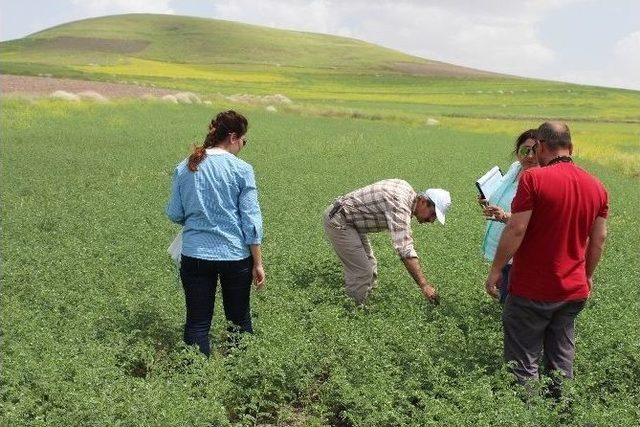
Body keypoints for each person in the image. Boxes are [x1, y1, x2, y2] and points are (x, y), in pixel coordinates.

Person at [484, 121, 608, 393]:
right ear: (571, 147)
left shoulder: (533, 179)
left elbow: (516, 229)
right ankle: (560, 414)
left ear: (540, 146)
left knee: (523, 364)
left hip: (532, 288)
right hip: (573, 291)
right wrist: (587, 276)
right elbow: (598, 239)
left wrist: (496, 269)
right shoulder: (597, 187)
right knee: (561, 361)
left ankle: (527, 415)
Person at [166, 110, 265, 356]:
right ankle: (239, 375)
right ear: (233, 137)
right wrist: (258, 263)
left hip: (195, 255)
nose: (243, 145)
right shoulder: (242, 169)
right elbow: (251, 222)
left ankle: (196, 382)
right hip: (234, 256)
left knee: (197, 323)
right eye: (244, 140)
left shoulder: (186, 166)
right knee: (239, 322)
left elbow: (175, 213)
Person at [323, 179, 451, 305]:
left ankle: (366, 303)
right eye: (433, 214)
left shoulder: (406, 189)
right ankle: (352, 311)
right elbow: (405, 250)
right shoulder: (399, 205)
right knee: (362, 272)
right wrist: (424, 285)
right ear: (423, 201)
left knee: (370, 265)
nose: (432, 220)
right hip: (340, 221)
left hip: (352, 222)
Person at [479, 129, 538, 303]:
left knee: (513, 304)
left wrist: (505, 216)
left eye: (535, 151)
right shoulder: (515, 168)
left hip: (521, 252)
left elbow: (533, 220)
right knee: (505, 296)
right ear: (517, 150)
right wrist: (487, 201)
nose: (529, 156)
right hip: (503, 246)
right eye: (524, 150)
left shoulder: (540, 180)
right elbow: (502, 196)